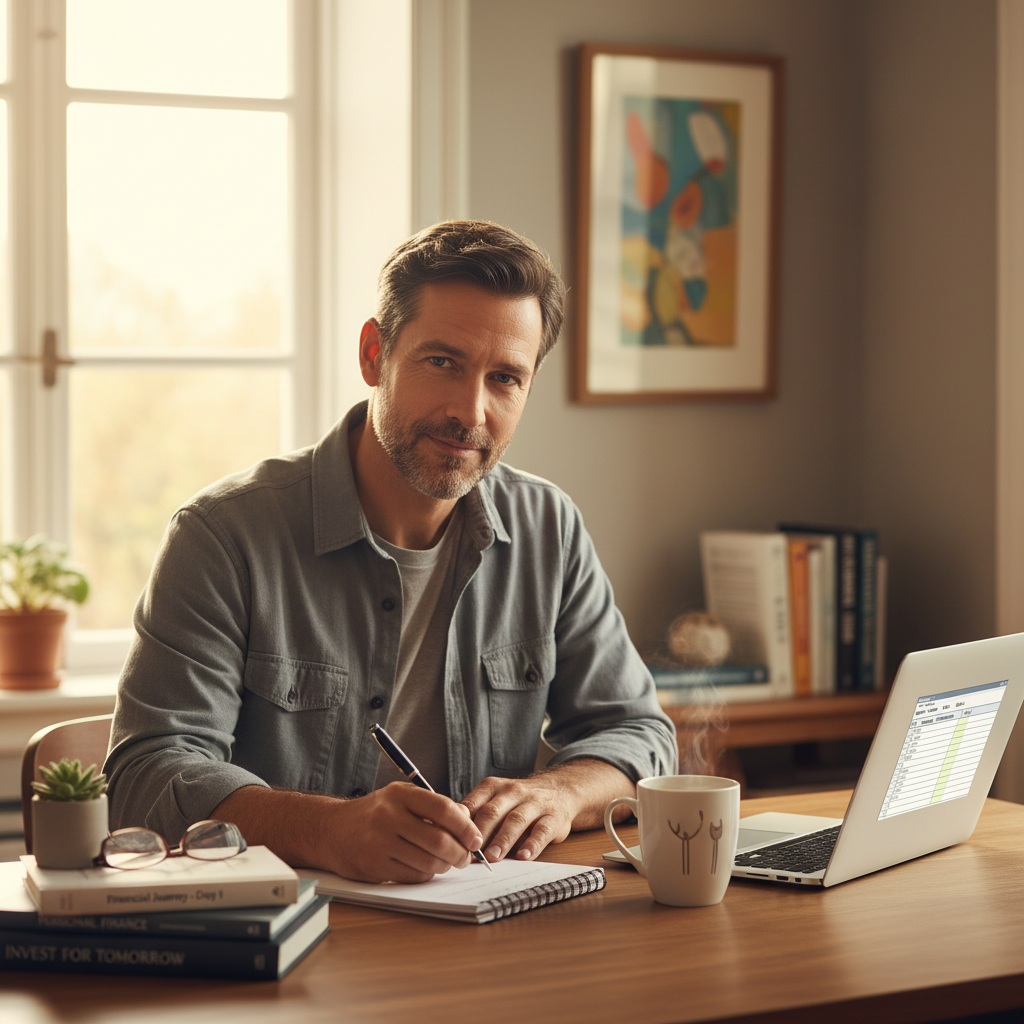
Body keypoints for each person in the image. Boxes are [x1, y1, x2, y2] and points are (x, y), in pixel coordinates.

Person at [105, 220, 677, 884]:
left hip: (487, 918)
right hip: (291, 924)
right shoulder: (223, 536)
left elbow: (641, 735)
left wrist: (560, 793)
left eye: (504, 378)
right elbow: (147, 778)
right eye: (443, 363)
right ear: (374, 354)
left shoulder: (550, 528)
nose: (471, 413)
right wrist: (328, 830)